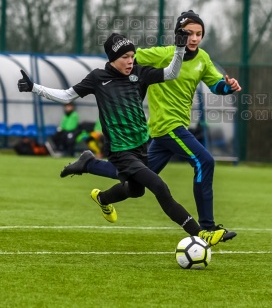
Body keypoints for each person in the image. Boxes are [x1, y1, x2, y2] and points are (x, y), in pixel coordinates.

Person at [17, 31, 227, 246]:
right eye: (124, 57)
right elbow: (66, 95)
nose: (130, 61)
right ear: (112, 58)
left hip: (141, 147)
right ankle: (201, 234)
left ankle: (99, 188)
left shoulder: (140, 73)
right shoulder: (98, 78)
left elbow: (171, 73)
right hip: (120, 150)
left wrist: (180, 49)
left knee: (135, 191)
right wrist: (35, 88)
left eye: (132, 55)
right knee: (159, 186)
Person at [59, 11, 240, 240]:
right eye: (188, 33)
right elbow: (125, 58)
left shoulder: (203, 58)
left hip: (169, 129)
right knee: (205, 161)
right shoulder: (161, 54)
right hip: (167, 126)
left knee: (135, 181)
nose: (194, 38)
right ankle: (208, 228)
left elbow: (216, 86)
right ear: (177, 35)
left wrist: (228, 86)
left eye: (199, 34)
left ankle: (92, 172)